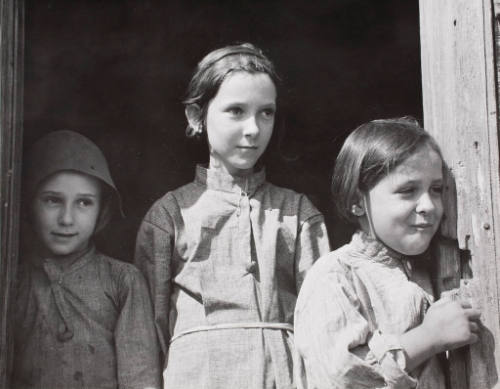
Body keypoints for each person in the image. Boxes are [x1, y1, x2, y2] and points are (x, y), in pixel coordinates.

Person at [134, 42, 331, 389]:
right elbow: (150, 331)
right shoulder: (169, 215)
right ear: (196, 117)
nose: (254, 128)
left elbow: (324, 323)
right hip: (196, 376)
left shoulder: (299, 214)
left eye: (266, 112)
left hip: (283, 376)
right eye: (236, 111)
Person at [294, 117, 481, 389]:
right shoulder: (334, 276)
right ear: (357, 202)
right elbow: (342, 376)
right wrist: (430, 337)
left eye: (437, 189)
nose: (428, 205)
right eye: (408, 191)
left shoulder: (432, 270)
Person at [13, 130, 161, 389]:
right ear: (28, 203)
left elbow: (139, 379)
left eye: (84, 203)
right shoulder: (13, 282)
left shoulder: (122, 281)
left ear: (102, 209)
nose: (67, 218)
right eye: (52, 200)